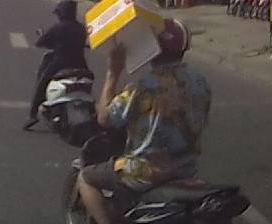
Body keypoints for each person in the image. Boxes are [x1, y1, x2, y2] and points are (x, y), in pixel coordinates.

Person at [78, 19, 211, 224]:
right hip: (186, 169)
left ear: (152, 49)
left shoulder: (142, 86)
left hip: (145, 172)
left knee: (86, 178)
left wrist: (113, 71)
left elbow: (104, 118)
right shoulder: (200, 81)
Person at [24, 0, 89, 130]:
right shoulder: (81, 28)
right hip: (81, 64)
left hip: (60, 63)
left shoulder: (58, 27)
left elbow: (41, 42)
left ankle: (32, 115)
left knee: (41, 85)